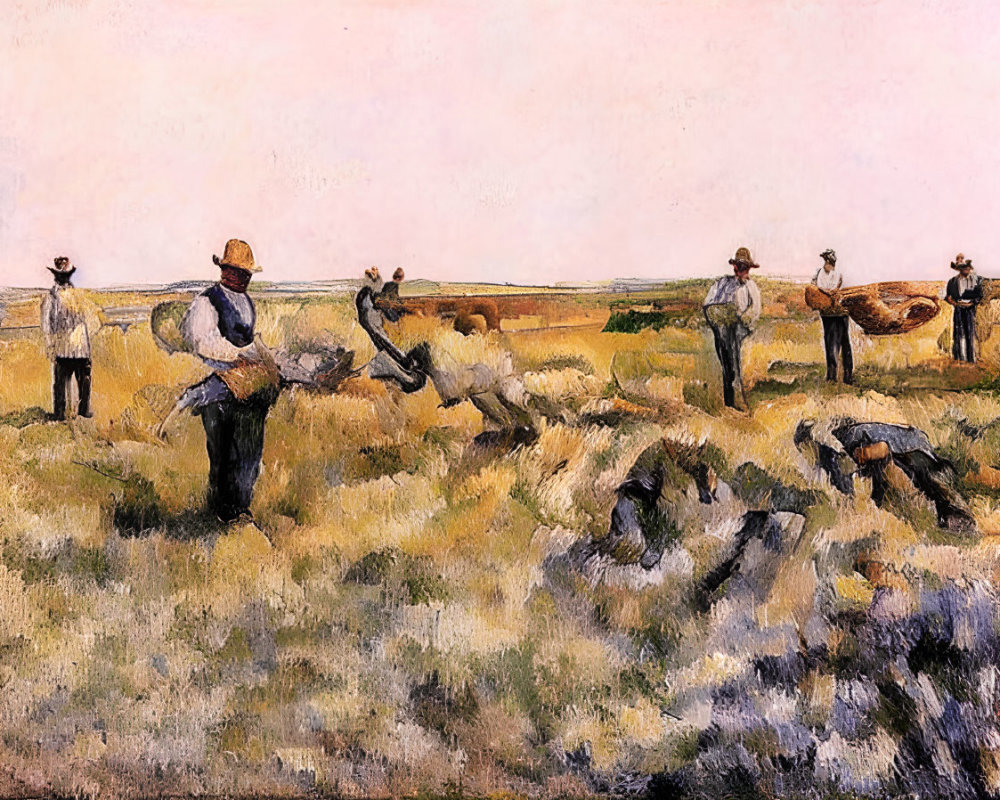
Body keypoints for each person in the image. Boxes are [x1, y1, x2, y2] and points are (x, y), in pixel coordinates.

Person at [180, 239, 279, 522]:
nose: (244, 277)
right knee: (222, 454)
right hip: (218, 389)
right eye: (239, 271)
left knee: (249, 451)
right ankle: (223, 514)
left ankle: (240, 511)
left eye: (247, 273)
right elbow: (203, 342)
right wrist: (239, 354)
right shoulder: (206, 302)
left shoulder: (246, 302)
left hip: (248, 387)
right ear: (225, 270)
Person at [794, 417, 976, 533]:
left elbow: (850, 468)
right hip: (909, 445)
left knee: (918, 487)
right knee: (921, 484)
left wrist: (851, 503)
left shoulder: (835, 444)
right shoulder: (840, 435)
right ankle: (947, 514)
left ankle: (946, 515)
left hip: (902, 449)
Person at [40, 256, 101, 420]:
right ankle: (66, 416)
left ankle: (76, 416)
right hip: (69, 348)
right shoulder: (55, 297)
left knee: (78, 383)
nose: (64, 278)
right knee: (67, 384)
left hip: (76, 349)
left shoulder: (65, 296)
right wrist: (51, 346)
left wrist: (50, 346)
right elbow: (48, 325)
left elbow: (48, 325)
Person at [703, 247, 762, 409]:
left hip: (739, 331)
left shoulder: (751, 288)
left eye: (744, 267)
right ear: (734, 267)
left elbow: (755, 312)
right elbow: (708, 304)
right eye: (738, 267)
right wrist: (717, 319)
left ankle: (738, 403)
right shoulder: (722, 284)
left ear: (748, 269)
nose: (741, 271)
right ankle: (730, 404)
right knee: (726, 366)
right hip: (721, 330)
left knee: (735, 365)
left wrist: (742, 322)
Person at [811, 249, 853, 384]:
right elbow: (817, 288)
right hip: (828, 313)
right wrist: (827, 292)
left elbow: (837, 289)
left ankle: (847, 375)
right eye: (830, 263)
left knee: (844, 342)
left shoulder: (838, 273)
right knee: (830, 342)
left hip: (840, 312)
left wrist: (832, 292)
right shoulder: (820, 273)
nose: (831, 266)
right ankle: (831, 376)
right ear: (826, 262)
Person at [943, 253, 982, 363]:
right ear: (959, 269)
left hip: (970, 310)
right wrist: (953, 302)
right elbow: (948, 296)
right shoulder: (953, 281)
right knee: (958, 333)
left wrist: (973, 303)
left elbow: (979, 295)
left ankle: (970, 359)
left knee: (970, 333)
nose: (966, 269)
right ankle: (958, 358)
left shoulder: (975, 281)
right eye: (964, 267)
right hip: (958, 309)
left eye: (968, 267)